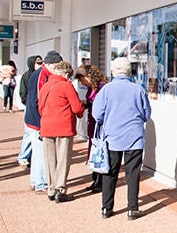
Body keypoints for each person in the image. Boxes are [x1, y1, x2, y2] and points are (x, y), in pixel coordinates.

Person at [93, 57, 152, 220]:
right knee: (133, 173)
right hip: (134, 137)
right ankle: (132, 209)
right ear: (129, 71)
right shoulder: (138, 89)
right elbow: (146, 114)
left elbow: (96, 114)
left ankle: (106, 208)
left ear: (113, 71)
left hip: (112, 137)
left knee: (110, 172)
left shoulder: (106, 90)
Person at [39, 61, 84, 203]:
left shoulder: (45, 86)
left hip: (46, 126)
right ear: (65, 74)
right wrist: (82, 107)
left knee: (50, 159)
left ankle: (51, 189)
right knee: (63, 159)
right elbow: (76, 108)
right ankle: (60, 189)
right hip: (63, 126)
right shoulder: (66, 85)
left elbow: (40, 107)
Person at [80, 65, 108, 193]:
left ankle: (100, 181)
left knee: (100, 152)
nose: (82, 82)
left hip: (100, 125)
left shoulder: (102, 87)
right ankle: (95, 179)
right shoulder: (91, 87)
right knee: (93, 151)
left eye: (82, 79)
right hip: (92, 124)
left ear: (89, 76)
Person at [24, 56, 49, 192]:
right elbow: (39, 100)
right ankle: (41, 183)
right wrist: (42, 122)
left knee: (37, 152)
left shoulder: (37, 74)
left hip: (32, 119)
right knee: (41, 153)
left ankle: (35, 180)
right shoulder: (42, 76)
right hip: (36, 121)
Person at [17, 55, 42, 169]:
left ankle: (31, 156)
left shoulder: (41, 75)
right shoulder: (27, 76)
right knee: (29, 133)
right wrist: (29, 103)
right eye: (38, 63)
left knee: (36, 134)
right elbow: (23, 94)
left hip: (38, 107)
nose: (40, 65)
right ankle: (23, 157)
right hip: (30, 107)